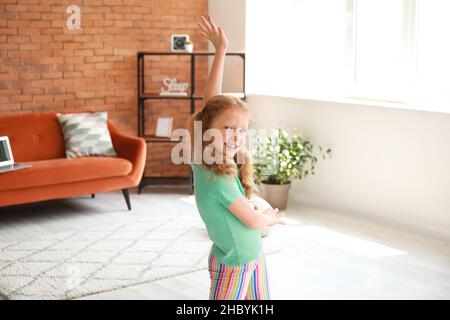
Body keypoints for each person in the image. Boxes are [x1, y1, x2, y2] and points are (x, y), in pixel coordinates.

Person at [189, 16, 285, 300]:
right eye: (227, 128)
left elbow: (211, 104)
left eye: (241, 130)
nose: (234, 136)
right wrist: (268, 216)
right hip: (234, 264)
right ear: (208, 130)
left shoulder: (209, 157)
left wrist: (221, 51)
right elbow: (254, 222)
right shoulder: (216, 176)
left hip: (252, 255)